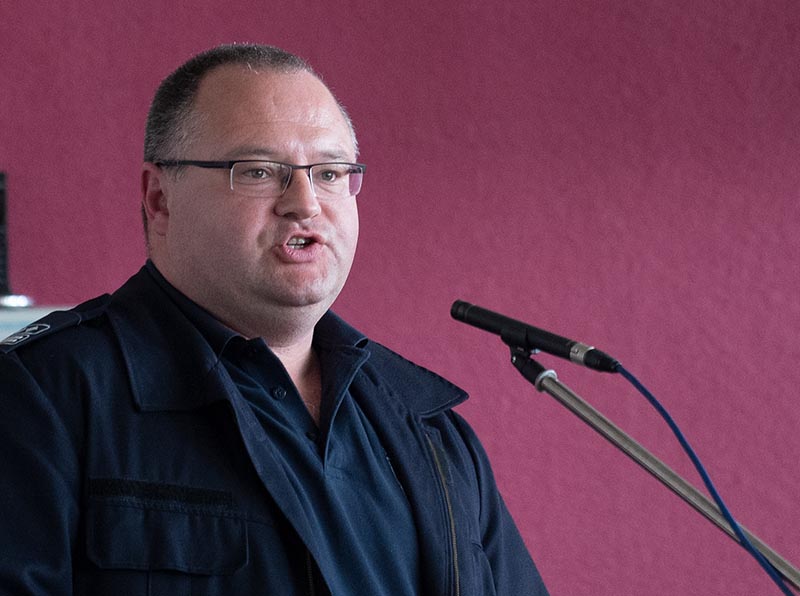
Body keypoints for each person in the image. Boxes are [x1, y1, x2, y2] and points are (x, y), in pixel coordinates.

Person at [0, 43, 549, 595]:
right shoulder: (43, 396)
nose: (306, 203)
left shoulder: (431, 430)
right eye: (260, 171)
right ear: (159, 198)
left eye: (331, 173)